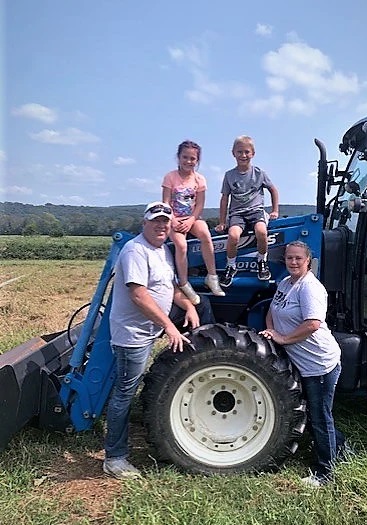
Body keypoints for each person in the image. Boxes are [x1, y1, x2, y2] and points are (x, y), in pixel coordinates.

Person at [104, 201, 216, 480]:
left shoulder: (162, 250)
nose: (161, 226)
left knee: (201, 307)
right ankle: (115, 457)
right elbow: (139, 295)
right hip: (133, 334)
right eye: (156, 221)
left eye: (165, 221)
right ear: (145, 223)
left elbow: (169, 288)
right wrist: (169, 326)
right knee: (125, 391)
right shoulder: (135, 250)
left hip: (150, 327)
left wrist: (189, 306)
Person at [259, 240, 345, 487]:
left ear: (308, 260)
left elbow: (313, 324)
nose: (293, 262)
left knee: (320, 417)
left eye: (298, 258)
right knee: (316, 414)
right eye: (289, 258)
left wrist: (284, 339)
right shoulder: (286, 283)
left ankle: (325, 474)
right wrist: (271, 331)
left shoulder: (310, 288)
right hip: (304, 364)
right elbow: (272, 309)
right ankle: (341, 448)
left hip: (318, 364)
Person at [162, 140, 225, 305]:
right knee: (181, 246)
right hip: (173, 218)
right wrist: (173, 220)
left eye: (192, 159)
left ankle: (212, 277)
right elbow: (166, 202)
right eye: (185, 157)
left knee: (205, 234)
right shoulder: (170, 177)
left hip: (192, 217)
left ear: (197, 160)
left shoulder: (199, 179)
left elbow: (200, 204)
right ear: (178, 157)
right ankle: (184, 282)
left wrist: (191, 220)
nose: (188, 161)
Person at [215, 135, 279, 287]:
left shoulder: (259, 173)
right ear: (233, 153)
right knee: (233, 235)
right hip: (238, 213)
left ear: (252, 154)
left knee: (262, 232)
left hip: (256, 211)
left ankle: (262, 262)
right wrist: (222, 222)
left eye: (246, 152)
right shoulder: (229, 175)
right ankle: (231, 266)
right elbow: (224, 198)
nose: (243, 155)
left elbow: (273, 189)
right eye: (239, 152)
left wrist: (275, 210)